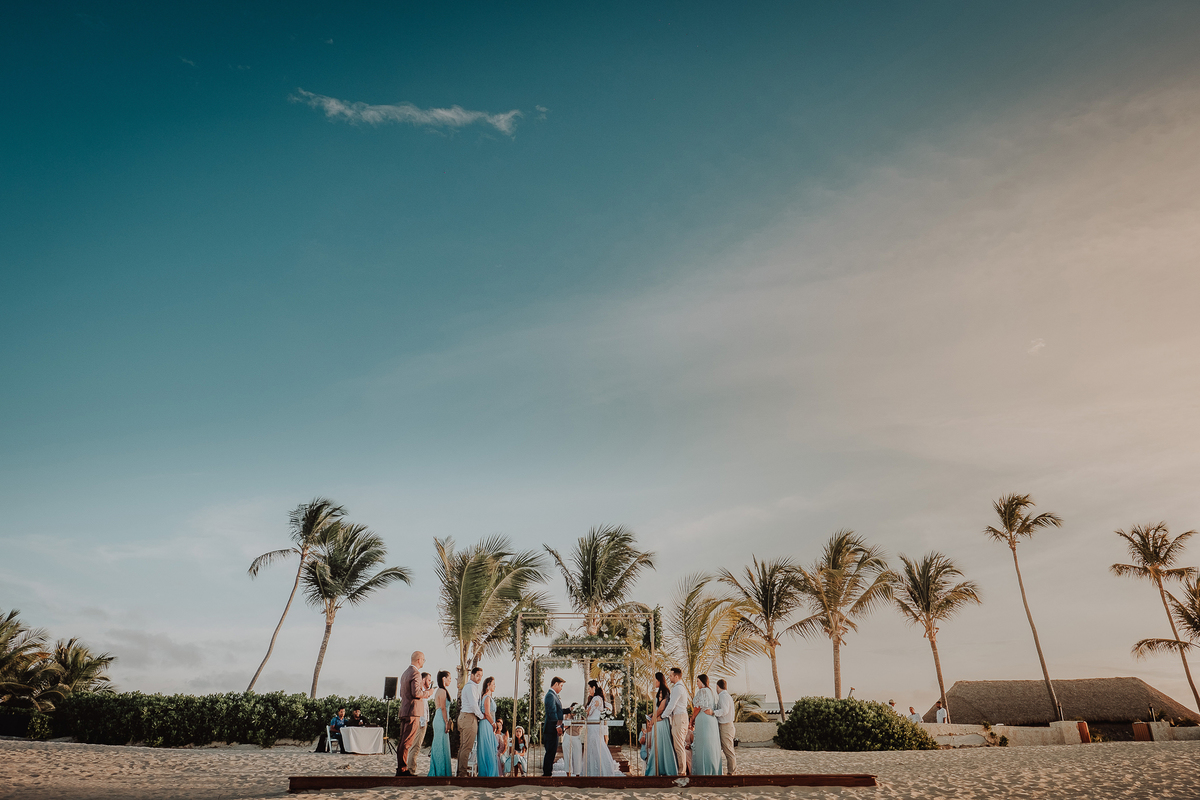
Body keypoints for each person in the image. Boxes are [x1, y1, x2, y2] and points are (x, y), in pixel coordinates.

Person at [689, 674, 721, 775]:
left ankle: (703, 770)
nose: (697, 683)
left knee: (702, 744)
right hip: (711, 720)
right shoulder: (711, 692)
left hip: (703, 720)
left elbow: (697, 707)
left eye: (698, 681)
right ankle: (713, 769)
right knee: (710, 744)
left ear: (702, 682)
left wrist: (692, 719)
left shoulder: (702, 691)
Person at [660, 667, 690, 775]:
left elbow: (672, 705)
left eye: (671, 675)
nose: (669, 677)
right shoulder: (678, 687)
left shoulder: (678, 688)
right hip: (678, 717)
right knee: (678, 744)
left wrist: (663, 716)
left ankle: (682, 771)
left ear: (676, 676)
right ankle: (681, 769)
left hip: (679, 717)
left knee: (679, 745)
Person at [647, 672, 677, 776]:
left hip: (661, 722)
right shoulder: (662, 691)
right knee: (659, 744)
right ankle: (662, 768)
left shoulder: (662, 691)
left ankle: (659, 769)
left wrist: (654, 718)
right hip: (659, 719)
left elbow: (661, 707)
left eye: (654, 680)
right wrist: (652, 714)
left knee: (661, 744)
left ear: (659, 680)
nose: (653, 682)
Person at [457, 667, 485, 776]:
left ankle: (461, 771)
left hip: (466, 717)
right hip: (469, 717)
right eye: (478, 675)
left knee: (464, 746)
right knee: (466, 747)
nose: (479, 678)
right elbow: (474, 705)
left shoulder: (472, 687)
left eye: (481, 676)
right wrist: (481, 716)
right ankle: (462, 773)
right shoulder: (471, 687)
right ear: (472, 675)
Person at [585, 680, 615, 776]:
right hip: (592, 726)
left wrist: (583, 712)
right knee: (595, 747)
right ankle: (594, 770)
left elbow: (588, 712)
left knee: (597, 747)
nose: (588, 690)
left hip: (594, 727)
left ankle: (601, 770)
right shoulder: (597, 698)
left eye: (589, 688)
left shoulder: (596, 699)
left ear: (593, 688)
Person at [406, 673, 433, 774]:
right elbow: (419, 708)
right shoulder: (420, 691)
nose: (430, 683)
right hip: (420, 722)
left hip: (422, 721)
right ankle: (411, 769)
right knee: (416, 746)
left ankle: (411, 767)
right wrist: (422, 722)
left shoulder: (423, 692)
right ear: (423, 680)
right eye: (429, 680)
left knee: (416, 746)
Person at [428, 671, 453, 777]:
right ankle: (440, 771)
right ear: (444, 678)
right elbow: (443, 707)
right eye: (449, 678)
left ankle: (441, 770)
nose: (450, 680)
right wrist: (446, 722)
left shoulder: (440, 690)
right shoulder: (442, 691)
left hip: (439, 717)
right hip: (441, 719)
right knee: (440, 745)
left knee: (441, 744)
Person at [475, 677, 500, 777]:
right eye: (493, 684)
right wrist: (494, 724)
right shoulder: (486, 697)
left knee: (489, 748)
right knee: (488, 748)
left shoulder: (487, 697)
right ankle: (488, 773)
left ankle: (490, 773)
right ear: (488, 685)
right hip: (486, 724)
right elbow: (487, 713)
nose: (495, 686)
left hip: (488, 724)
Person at [542, 676, 565, 776]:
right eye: (561, 686)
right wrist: (557, 727)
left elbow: (558, 711)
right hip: (551, 729)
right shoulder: (550, 696)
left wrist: (570, 709)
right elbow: (552, 713)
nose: (561, 688)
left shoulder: (553, 695)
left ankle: (548, 773)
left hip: (552, 729)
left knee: (551, 753)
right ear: (555, 684)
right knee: (550, 753)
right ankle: (546, 775)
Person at [714, 678, 736, 775]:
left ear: (717, 687)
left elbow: (724, 711)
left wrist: (713, 712)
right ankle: (731, 772)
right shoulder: (727, 696)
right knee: (728, 750)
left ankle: (732, 773)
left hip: (726, 726)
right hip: (727, 726)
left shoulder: (723, 696)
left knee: (728, 751)